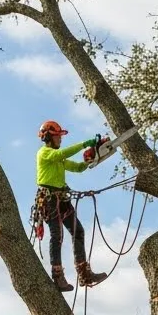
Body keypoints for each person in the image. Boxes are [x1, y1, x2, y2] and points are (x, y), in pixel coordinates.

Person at [34, 119, 109, 292]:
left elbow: (77, 168)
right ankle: (57, 276)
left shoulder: (58, 158)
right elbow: (62, 155)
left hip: (62, 199)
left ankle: (84, 274)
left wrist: (92, 159)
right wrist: (84, 144)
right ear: (49, 138)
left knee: (78, 231)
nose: (60, 140)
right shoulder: (44, 153)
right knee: (57, 235)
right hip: (49, 199)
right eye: (58, 137)